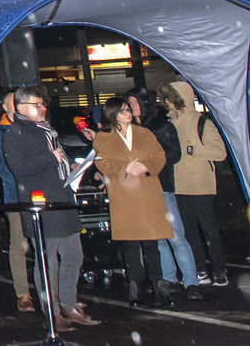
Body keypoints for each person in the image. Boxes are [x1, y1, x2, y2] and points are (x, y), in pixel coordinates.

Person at [1, 85, 100, 330]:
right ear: (22, 108)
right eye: (37, 104)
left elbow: (58, 156)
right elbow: (18, 168)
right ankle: (52, 314)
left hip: (63, 201)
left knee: (74, 256)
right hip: (43, 206)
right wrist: (51, 158)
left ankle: (69, 304)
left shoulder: (48, 130)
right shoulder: (15, 133)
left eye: (42, 103)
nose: (43, 107)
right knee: (47, 263)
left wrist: (71, 166)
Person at [86, 95, 173, 306]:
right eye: (123, 110)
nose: (128, 113)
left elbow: (159, 156)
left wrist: (145, 167)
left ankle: (159, 287)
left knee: (152, 245)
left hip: (148, 193)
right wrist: (126, 168)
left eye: (128, 110)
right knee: (131, 245)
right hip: (124, 195)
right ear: (113, 114)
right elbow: (102, 163)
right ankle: (135, 288)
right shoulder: (103, 138)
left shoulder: (145, 133)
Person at [135, 86, 202, 299]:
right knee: (158, 239)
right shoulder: (130, 130)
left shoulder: (161, 126)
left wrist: (149, 163)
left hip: (162, 188)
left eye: (135, 102)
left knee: (175, 237)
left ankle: (191, 283)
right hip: (141, 191)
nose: (131, 107)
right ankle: (169, 279)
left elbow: (174, 154)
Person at [161, 81, 230, 286]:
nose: (166, 102)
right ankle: (200, 270)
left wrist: (194, 150)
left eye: (169, 97)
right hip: (179, 185)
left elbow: (220, 152)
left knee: (208, 229)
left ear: (179, 99)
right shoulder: (168, 123)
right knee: (189, 231)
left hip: (200, 184)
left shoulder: (201, 122)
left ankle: (219, 271)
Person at [0, 91, 36, 312]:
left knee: (46, 245)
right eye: (13, 104)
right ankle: (23, 294)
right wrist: (29, 176)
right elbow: (2, 169)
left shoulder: (33, 129)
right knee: (19, 245)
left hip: (39, 196)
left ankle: (54, 293)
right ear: (5, 108)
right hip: (17, 198)